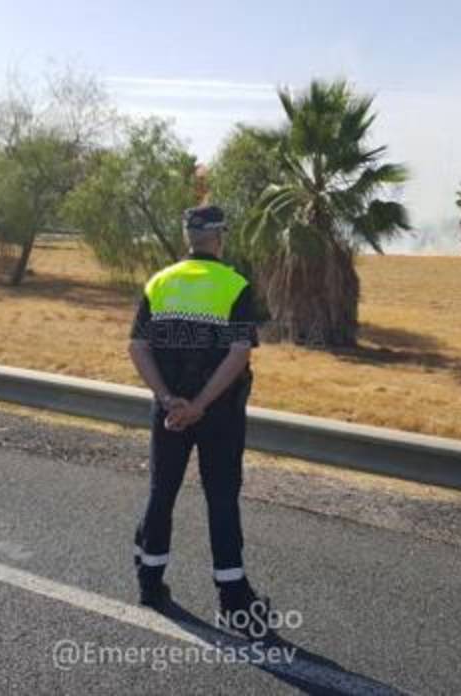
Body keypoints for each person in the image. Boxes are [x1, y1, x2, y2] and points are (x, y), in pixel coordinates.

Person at [128, 205, 272, 637]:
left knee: (162, 490)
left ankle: (150, 584)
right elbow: (238, 351)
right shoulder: (234, 285)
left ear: (188, 236)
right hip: (220, 413)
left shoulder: (160, 281)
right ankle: (233, 600)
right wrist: (202, 404)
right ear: (220, 235)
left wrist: (169, 399)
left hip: (169, 412)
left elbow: (137, 347)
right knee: (222, 497)